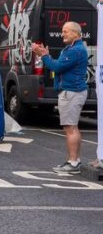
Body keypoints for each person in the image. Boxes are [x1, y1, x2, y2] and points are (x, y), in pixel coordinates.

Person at [32, 21, 89, 174]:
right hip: (72, 92)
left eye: (66, 31)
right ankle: (74, 161)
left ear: (76, 33)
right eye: (63, 31)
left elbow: (56, 67)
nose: (62, 34)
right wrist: (47, 55)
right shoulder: (72, 48)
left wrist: (43, 55)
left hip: (71, 92)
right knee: (73, 127)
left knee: (70, 128)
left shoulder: (74, 51)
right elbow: (58, 64)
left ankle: (73, 163)